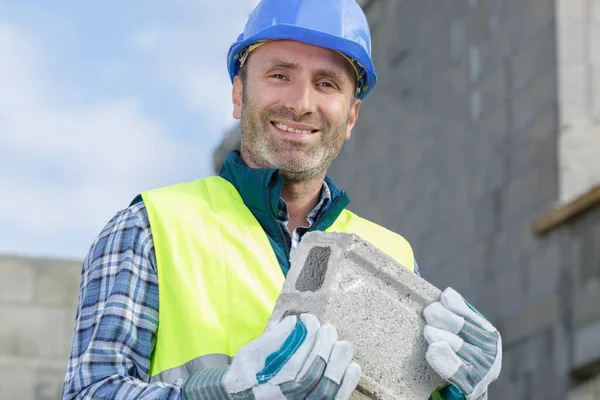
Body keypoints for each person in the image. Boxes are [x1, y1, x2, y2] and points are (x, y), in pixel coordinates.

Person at [61, 0, 502, 399]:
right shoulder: (150, 228)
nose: (302, 103)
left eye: (327, 83)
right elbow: (91, 392)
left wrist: (459, 394)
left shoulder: (392, 258)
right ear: (239, 94)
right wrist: (225, 395)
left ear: (350, 116)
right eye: (279, 75)